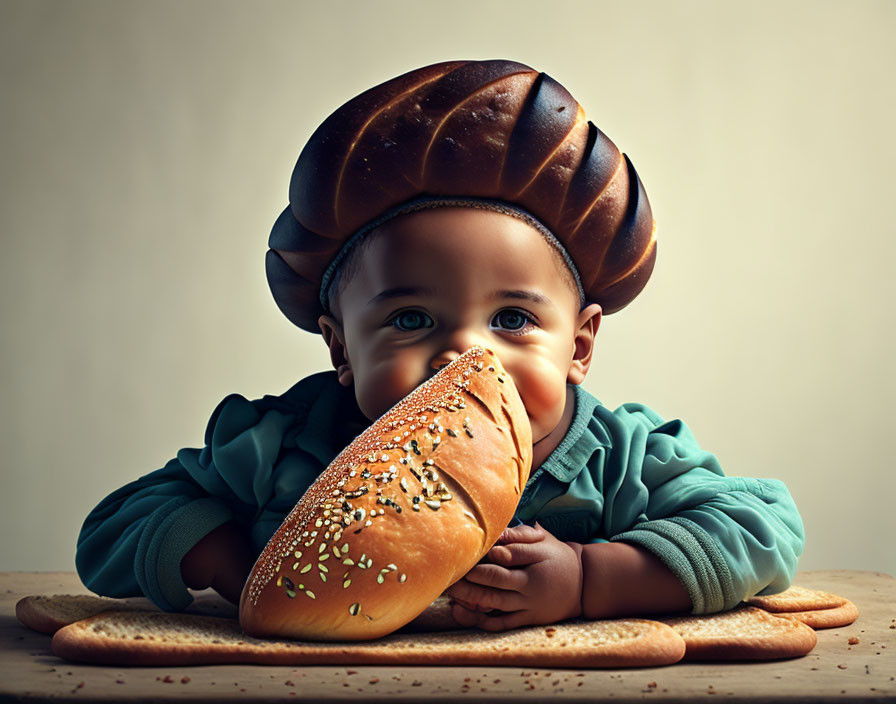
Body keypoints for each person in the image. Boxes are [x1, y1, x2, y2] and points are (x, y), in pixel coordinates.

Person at [76, 60, 804, 632]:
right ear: (341, 351)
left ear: (579, 347)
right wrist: (249, 571)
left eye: (513, 320)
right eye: (412, 320)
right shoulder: (281, 444)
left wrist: (591, 578)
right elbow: (115, 527)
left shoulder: (621, 457)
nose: (465, 354)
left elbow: (766, 527)